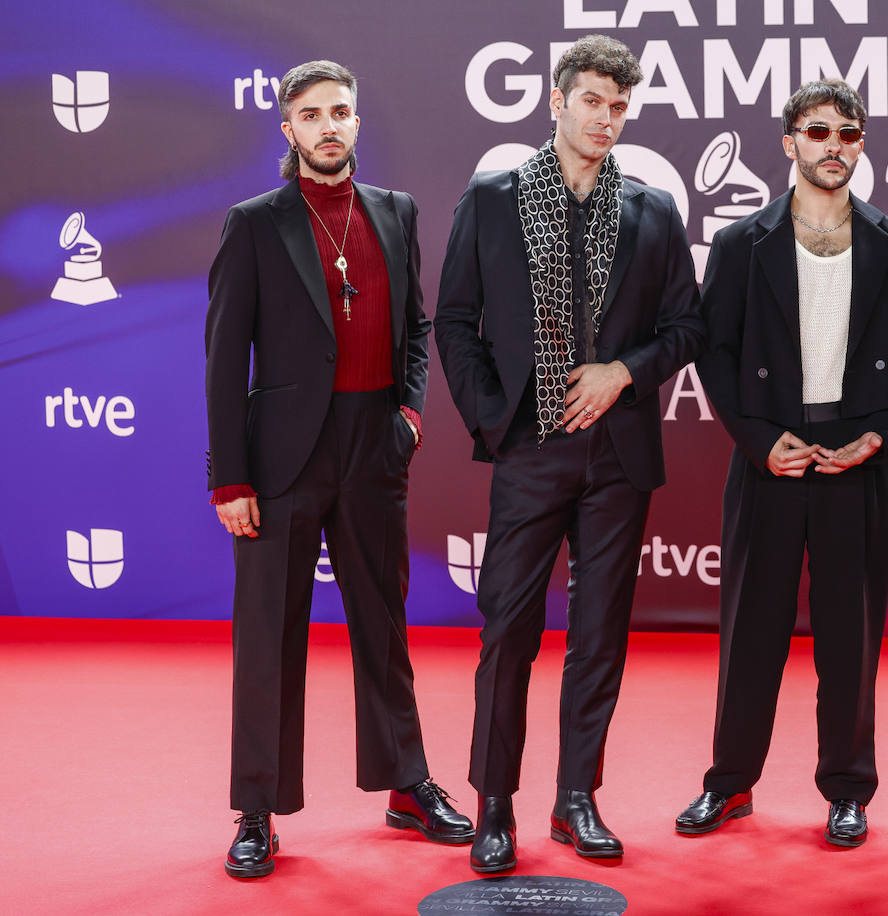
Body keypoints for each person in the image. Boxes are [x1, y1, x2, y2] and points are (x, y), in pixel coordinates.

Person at [433, 34, 704, 873]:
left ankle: (576, 797)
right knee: (508, 631)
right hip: (531, 450)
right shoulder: (492, 197)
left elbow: (687, 328)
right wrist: (496, 420)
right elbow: (452, 322)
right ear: (557, 101)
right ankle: (495, 805)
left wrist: (624, 372)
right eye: (591, 100)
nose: (606, 118)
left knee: (600, 635)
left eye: (620, 105)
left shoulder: (654, 208)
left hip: (618, 457)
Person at [205, 60, 471, 879]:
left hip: (374, 443)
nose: (329, 126)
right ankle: (258, 808)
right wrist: (229, 477)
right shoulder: (254, 223)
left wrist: (411, 416)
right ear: (288, 130)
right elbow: (222, 358)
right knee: (269, 637)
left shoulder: (396, 212)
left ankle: (405, 783)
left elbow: (417, 325)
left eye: (342, 112)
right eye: (312, 114)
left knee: (383, 627)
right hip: (281, 453)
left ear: (357, 125)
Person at [676, 79, 888, 848]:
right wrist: (754, 438)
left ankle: (848, 790)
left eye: (849, 134)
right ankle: (729, 783)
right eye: (818, 133)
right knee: (751, 633)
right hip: (769, 458)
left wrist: (880, 434)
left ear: (861, 145)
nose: (834, 147)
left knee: (852, 636)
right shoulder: (742, 241)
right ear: (789, 143)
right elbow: (713, 352)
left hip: (856, 461)